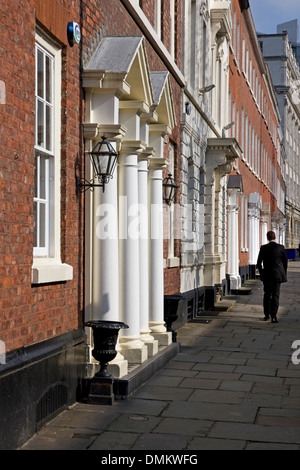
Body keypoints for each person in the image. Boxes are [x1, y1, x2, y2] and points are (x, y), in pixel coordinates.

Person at [256, 231, 288, 323]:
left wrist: (262, 273)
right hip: (278, 275)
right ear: (275, 237)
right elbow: (285, 262)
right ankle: (274, 316)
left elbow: (259, 263)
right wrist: (283, 273)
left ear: (267, 238)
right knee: (275, 295)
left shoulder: (263, 248)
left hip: (267, 275)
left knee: (267, 295)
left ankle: (266, 315)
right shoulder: (281, 247)